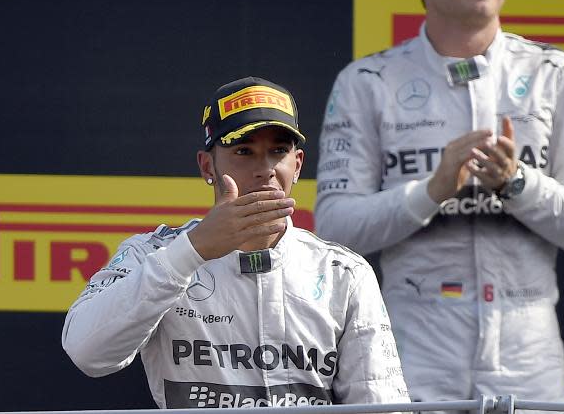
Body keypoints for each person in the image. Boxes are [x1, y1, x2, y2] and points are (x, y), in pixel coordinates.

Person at [315, 0, 564, 408]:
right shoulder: (368, 81)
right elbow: (335, 231)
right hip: (413, 346)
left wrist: (518, 184)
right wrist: (430, 191)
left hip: (529, 350)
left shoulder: (556, 74)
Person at [62, 76, 410, 409]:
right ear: (206, 166)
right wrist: (191, 252)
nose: (266, 168)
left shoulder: (342, 273)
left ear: (298, 164)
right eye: (244, 151)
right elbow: (87, 353)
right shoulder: (152, 254)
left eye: (278, 151)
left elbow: (381, 408)